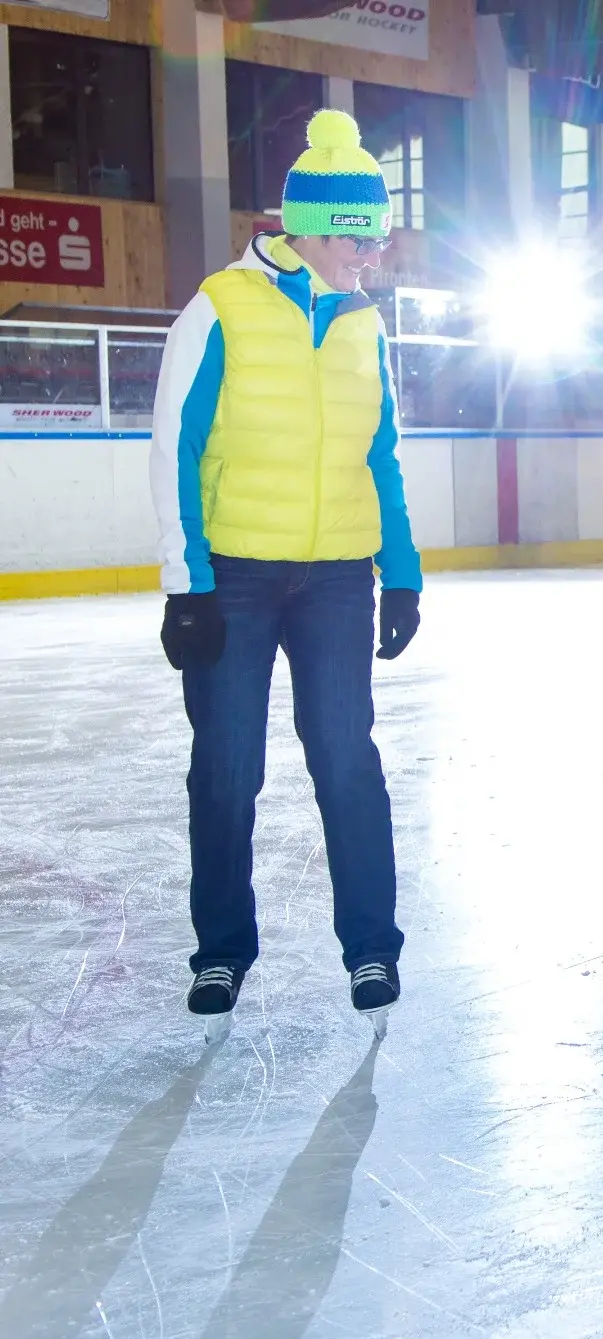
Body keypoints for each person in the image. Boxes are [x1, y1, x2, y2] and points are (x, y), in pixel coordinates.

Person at [148, 109, 420, 1037]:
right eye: (360, 237)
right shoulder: (219, 304)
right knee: (227, 768)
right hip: (236, 574)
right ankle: (222, 948)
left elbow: (381, 453)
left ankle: (372, 942)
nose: (371, 254)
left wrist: (405, 571)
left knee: (348, 760)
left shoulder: (362, 323)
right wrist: (187, 584)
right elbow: (174, 448)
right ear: (307, 228)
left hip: (339, 577)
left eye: (377, 237)